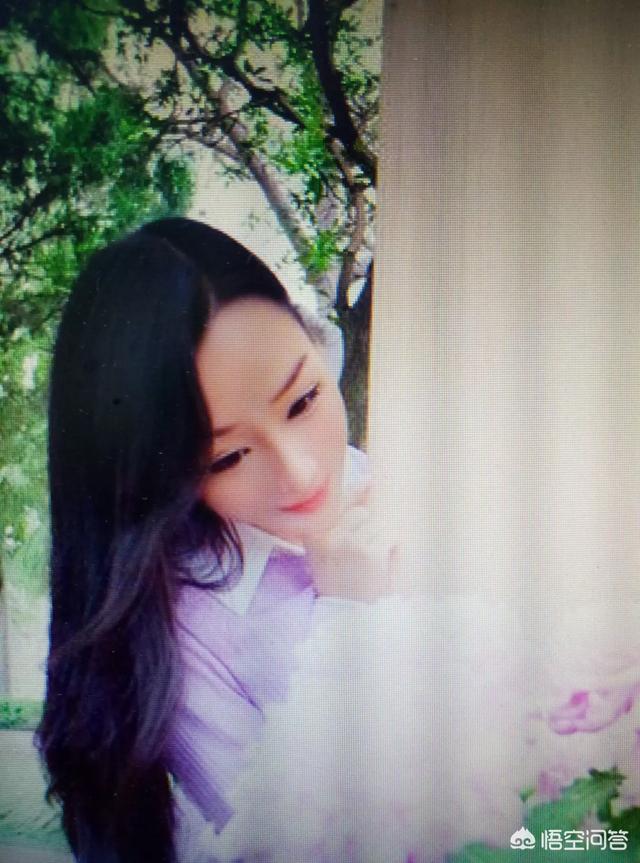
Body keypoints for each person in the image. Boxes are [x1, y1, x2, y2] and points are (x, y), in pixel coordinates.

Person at [35, 216, 396, 863]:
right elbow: (293, 839)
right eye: (226, 458)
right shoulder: (182, 629)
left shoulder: (390, 479)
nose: (299, 473)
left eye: (303, 400)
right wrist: (347, 616)